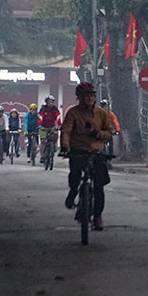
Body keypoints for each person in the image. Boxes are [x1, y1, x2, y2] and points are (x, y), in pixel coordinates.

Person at [59, 82, 113, 230]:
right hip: (78, 151)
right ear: (79, 97)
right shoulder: (73, 113)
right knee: (75, 177)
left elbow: (109, 131)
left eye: (92, 96)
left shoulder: (101, 113)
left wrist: (98, 134)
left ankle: (97, 216)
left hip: (96, 152)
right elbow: (66, 130)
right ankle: (73, 192)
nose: (90, 98)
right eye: (86, 96)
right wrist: (64, 146)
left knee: (99, 185)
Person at [38, 95, 62, 162]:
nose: (51, 103)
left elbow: (58, 117)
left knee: (56, 134)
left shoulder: (55, 109)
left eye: (52, 102)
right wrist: (40, 125)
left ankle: (53, 145)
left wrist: (59, 125)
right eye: (49, 102)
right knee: (43, 141)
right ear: (47, 102)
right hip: (43, 127)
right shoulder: (43, 109)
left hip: (52, 126)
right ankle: (42, 156)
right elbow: (40, 117)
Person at [99, 99, 121, 165]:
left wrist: (117, 130)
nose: (106, 108)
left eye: (107, 106)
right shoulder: (98, 114)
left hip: (108, 132)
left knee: (110, 145)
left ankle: (109, 160)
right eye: (104, 106)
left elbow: (115, 122)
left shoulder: (111, 114)